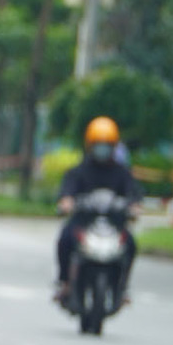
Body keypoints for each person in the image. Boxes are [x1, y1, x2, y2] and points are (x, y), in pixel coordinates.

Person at [55, 116, 143, 303]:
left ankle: (122, 286)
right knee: (64, 239)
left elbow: (133, 194)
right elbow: (67, 192)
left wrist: (134, 208)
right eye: (98, 145)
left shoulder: (122, 172)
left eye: (107, 145)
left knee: (131, 245)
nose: (102, 150)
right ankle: (65, 282)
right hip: (84, 223)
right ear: (89, 145)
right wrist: (66, 202)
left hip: (113, 225)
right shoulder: (79, 171)